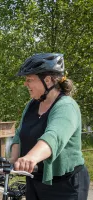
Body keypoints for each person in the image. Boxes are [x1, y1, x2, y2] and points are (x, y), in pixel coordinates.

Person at [10, 53, 90, 200]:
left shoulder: (66, 106)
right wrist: (9, 163)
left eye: (29, 79)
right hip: (35, 181)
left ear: (47, 80)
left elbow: (53, 137)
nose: (25, 84)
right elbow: (19, 135)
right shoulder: (32, 105)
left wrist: (30, 157)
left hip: (65, 185)